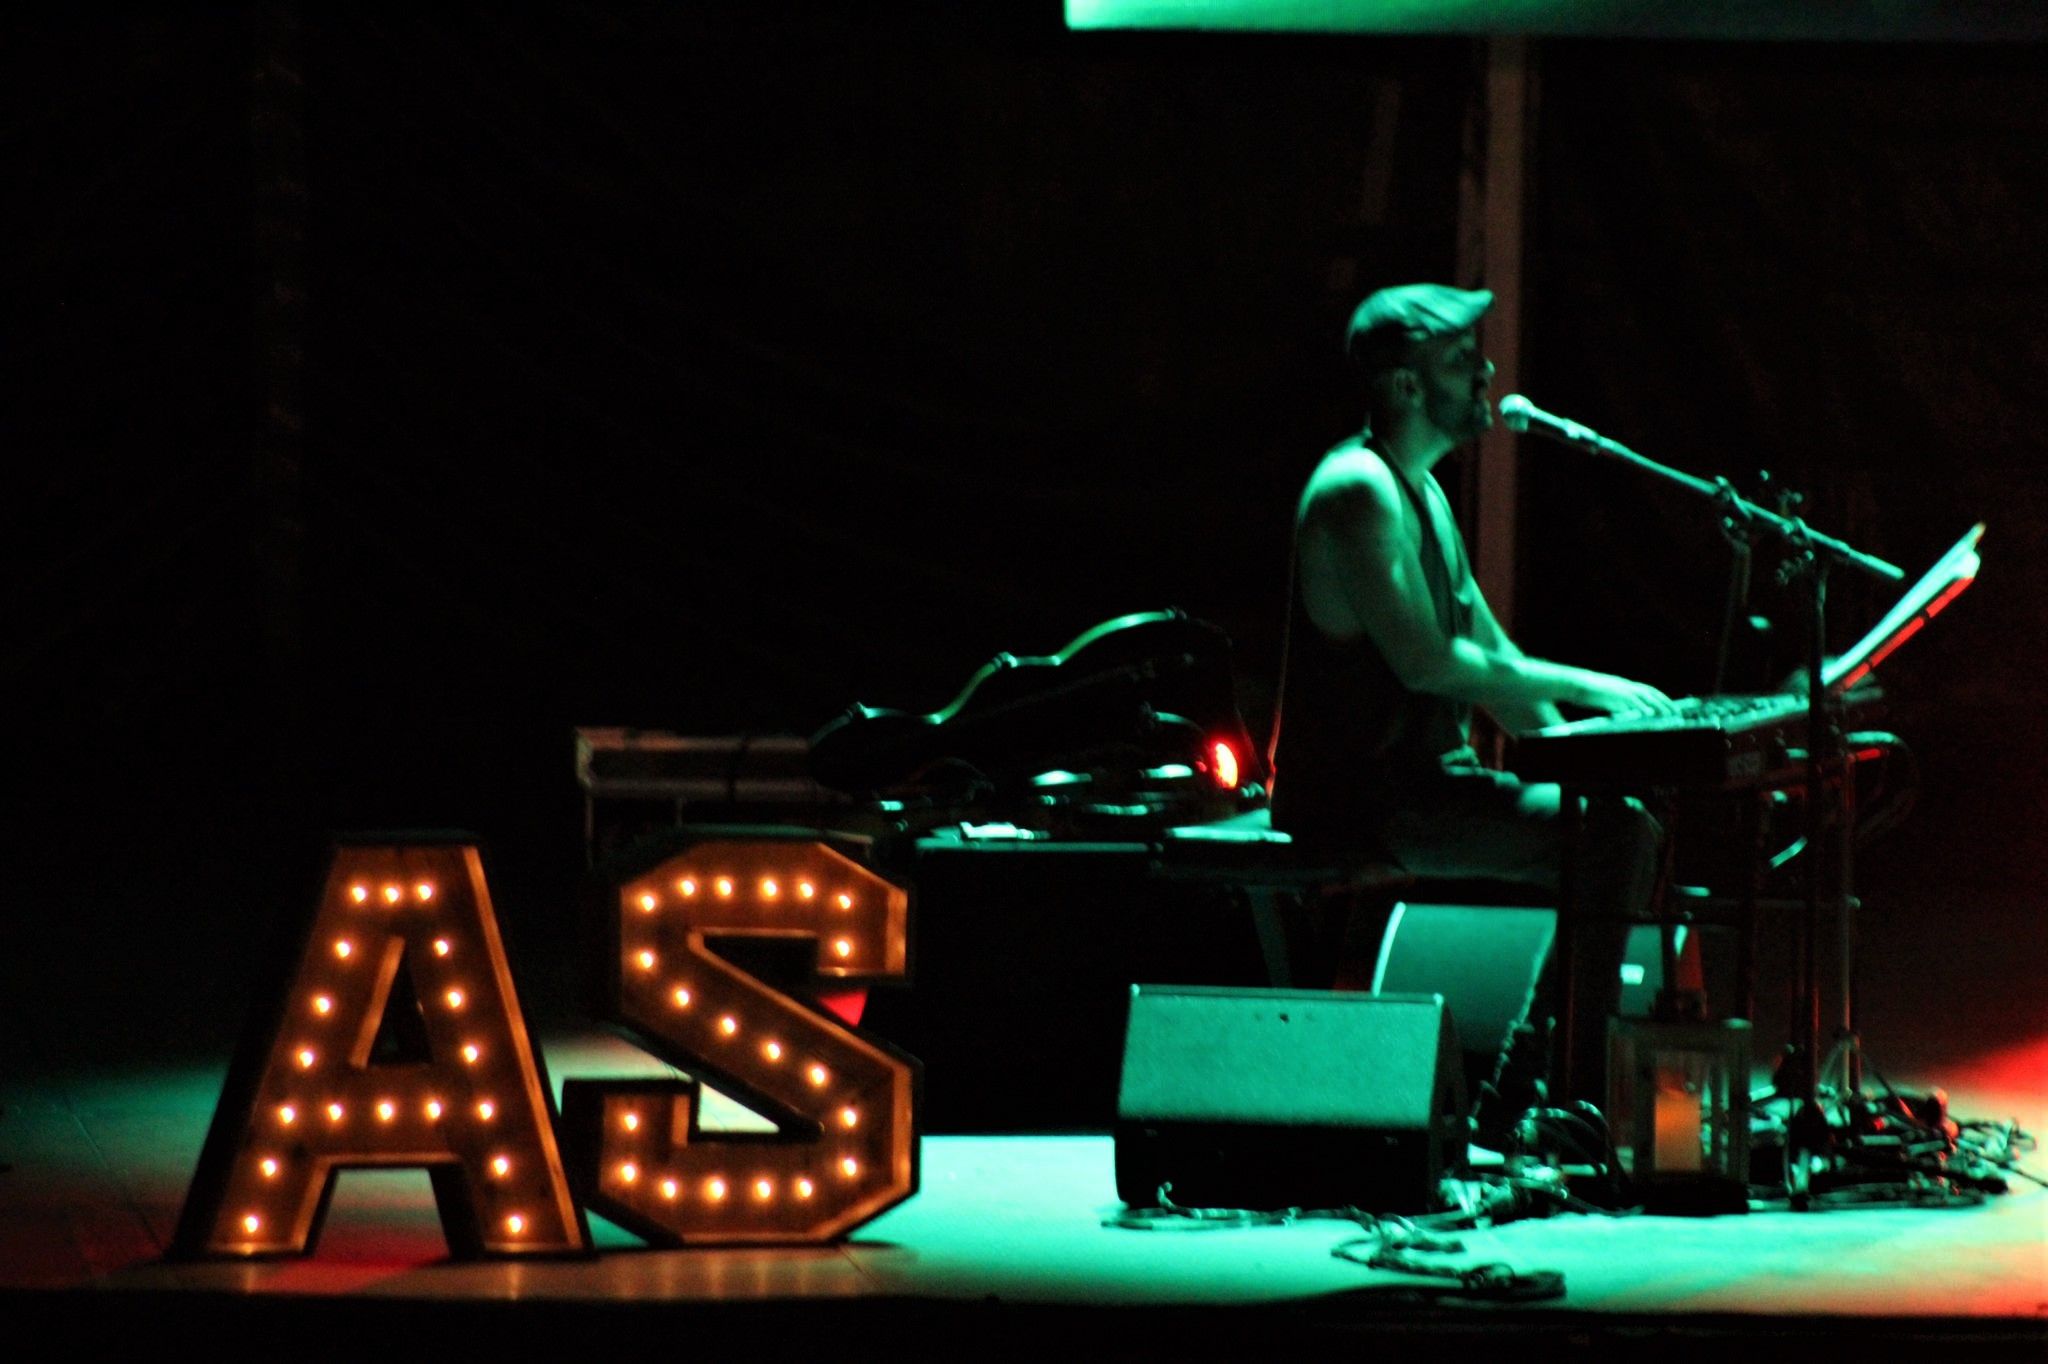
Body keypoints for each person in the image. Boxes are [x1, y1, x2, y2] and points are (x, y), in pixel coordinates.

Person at [1266, 282, 1672, 1119]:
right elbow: (1429, 664)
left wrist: (1584, 758)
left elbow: (1495, 660)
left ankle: (1538, 1082)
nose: (1487, 370)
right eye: (1460, 360)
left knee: (1620, 820)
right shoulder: (1356, 491)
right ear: (1408, 387)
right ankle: (1556, 1088)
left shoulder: (1426, 494)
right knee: (1617, 833)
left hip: (1424, 791)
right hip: (1365, 801)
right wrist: (1593, 687)